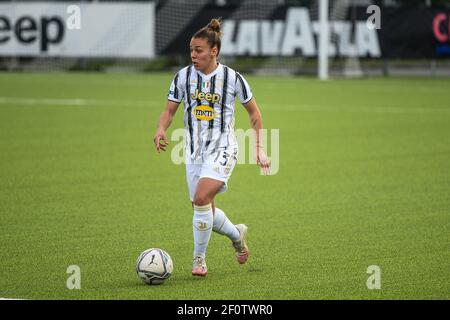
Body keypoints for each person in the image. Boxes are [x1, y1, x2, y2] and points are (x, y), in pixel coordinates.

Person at [153, 18, 270, 277]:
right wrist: (161, 128)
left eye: (199, 50)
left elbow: (255, 114)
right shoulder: (182, 76)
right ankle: (236, 234)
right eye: (191, 50)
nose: (193, 55)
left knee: (202, 198)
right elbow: (169, 111)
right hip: (193, 151)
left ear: (213, 51)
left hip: (224, 149)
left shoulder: (232, 78)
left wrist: (259, 149)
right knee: (203, 208)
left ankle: (199, 260)